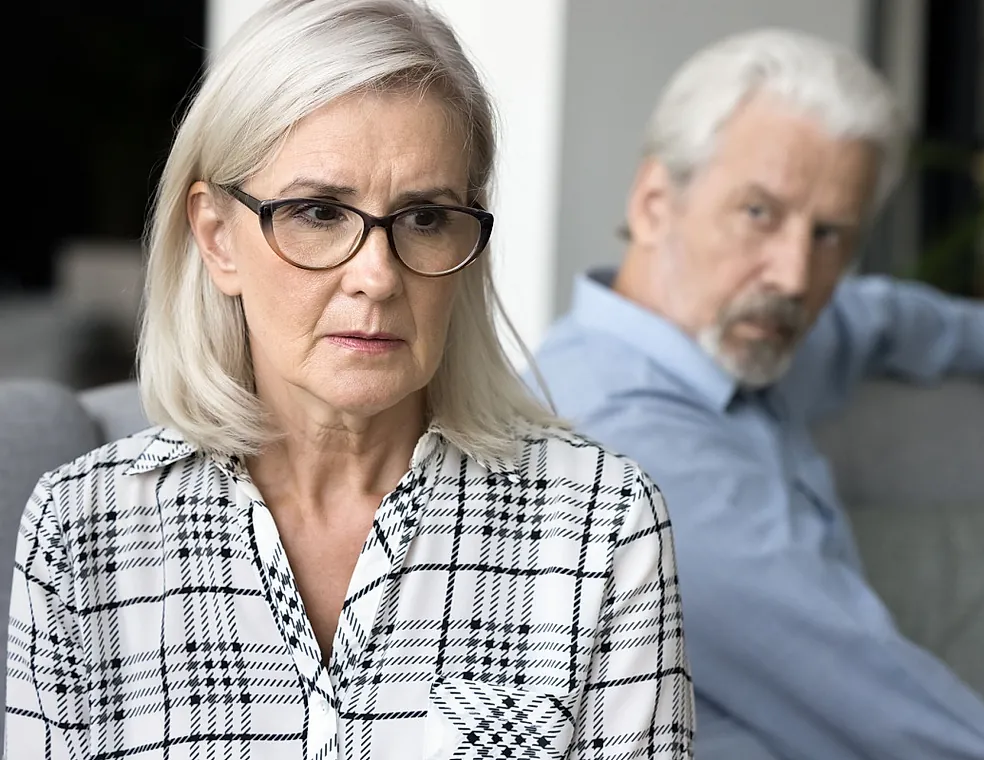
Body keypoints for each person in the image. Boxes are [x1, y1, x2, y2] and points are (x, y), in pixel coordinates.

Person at [4, 2, 695, 758]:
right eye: (319, 211)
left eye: (426, 218)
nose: (376, 275)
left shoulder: (600, 524)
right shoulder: (84, 530)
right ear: (217, 237)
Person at [531, 27, 984, 760]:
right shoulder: (633, 456)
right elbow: (886, 714)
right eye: (759, 213)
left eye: (830, 235)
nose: (793, 274)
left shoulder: (727, 333)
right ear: (656, 203)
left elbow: (876, 318)